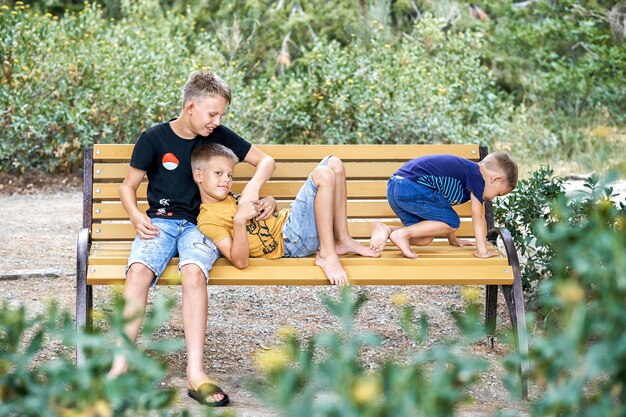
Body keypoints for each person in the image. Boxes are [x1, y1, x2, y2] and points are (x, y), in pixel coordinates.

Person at [110, 70, 276, 407]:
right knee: (139, 272)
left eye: (221, 115)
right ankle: (119, 366)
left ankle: (196, 372)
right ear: (190, 107)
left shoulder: (217, 136)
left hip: (202, 226)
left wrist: (254, 192)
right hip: (160, 222)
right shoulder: (154, 139)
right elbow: (128, 187)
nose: (217, 121)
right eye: (212, 114)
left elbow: (266, 161)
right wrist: (134, 214)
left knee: (194, 273)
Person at [192, 144, 384, 286]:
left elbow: (263, 216)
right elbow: (240, 261)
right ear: (199, 176)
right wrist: (239, 221)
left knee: (334, 163)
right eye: (218, 173)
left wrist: (270, 202)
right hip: (291, 241)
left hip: (291, 223)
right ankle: (326, 253)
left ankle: (342, 239)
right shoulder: (208, 219)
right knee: (323, 174)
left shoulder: (230, 198)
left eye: (230, 175)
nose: (226, 179)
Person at [370, 152, 518, 259]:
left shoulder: (467, 176)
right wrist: (482, 251)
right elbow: (478, 216)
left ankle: (388, 229)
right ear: (496, 179)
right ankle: (401, 234)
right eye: (498, 194)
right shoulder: (477, 176)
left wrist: (453, 239)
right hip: (411, 187)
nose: (492, 199)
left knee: (424, 239)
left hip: (397, 187)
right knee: (452, 222)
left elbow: (443, 207)